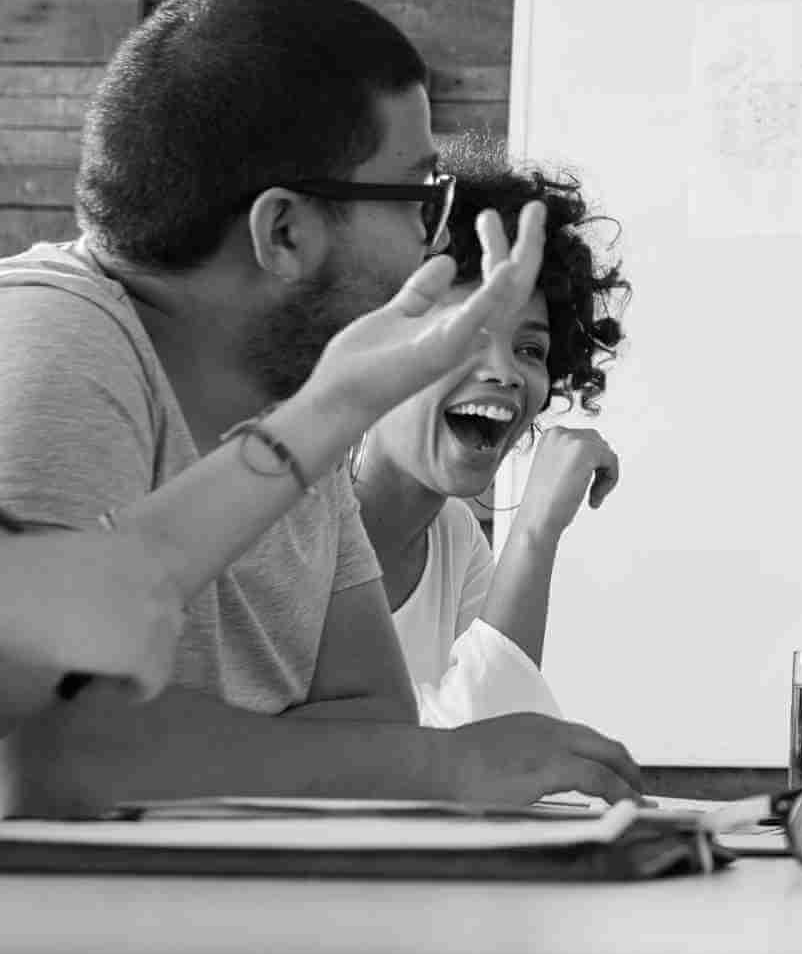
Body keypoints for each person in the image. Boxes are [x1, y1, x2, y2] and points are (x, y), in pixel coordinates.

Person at [0, 0, 644, 817]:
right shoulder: (53, 334)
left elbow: (374, 716)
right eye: (418, 198)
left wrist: (179, 743)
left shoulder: (303, 407)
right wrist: (442, 765)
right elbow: (47, 751)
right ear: (285, 232)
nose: (429, 243)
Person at [0, 221, 552, 736]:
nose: (504, 372)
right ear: (283, 228)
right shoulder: (56, 318)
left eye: (530, 349)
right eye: (416, 198)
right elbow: (57, 744)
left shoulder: (418, 518)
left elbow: (393, 726)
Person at [350, 142, 628, 728]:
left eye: (530, 349)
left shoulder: (452, 540)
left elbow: (496, 748)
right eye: (468, 333)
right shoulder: (293, 531)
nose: (505, 372)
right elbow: (405, 752)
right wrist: (533, 534)